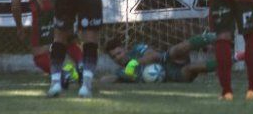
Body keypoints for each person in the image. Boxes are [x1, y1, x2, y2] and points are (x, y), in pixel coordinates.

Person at [102, 33, 241, 83]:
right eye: (113, 57)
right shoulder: (123, 72)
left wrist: (134, 63)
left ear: (125, 50)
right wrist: (122, 76)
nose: (117, 58)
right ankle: (234, 58)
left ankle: (212, 37)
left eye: (118, 53)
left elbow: (154, 55)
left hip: (167, 60)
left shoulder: (137, 49)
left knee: (174, 50)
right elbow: (105, 80)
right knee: (192, 68)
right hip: (170, 75)